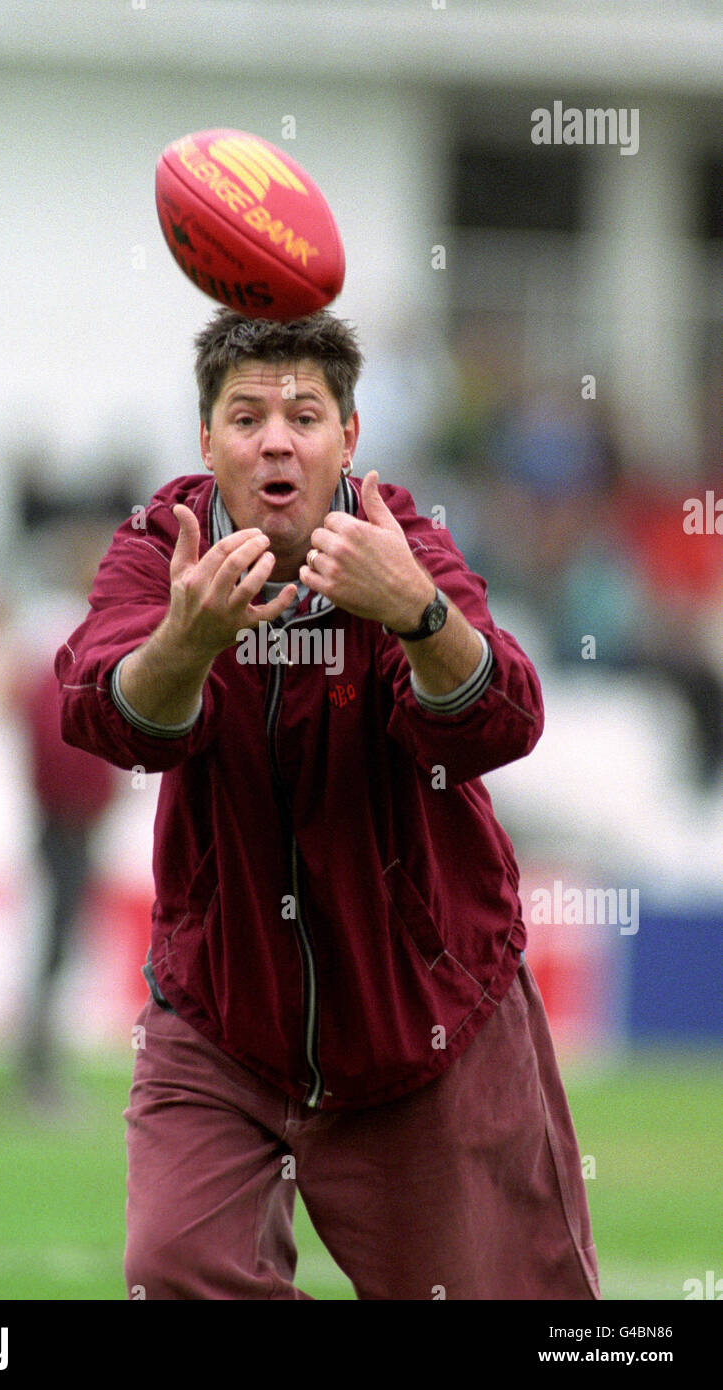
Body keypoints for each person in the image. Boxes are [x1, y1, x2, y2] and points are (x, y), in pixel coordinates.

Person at [56, 309, 600, 1301]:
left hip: (419, 1028)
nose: (275, 437)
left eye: (304, 415)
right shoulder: (162, 546)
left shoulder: (402, 543)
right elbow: (102, 714)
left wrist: (415, 613)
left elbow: (503, 717)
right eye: (246, 414)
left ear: (348, 439)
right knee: (173, 1268)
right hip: (221, 1018)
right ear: (206, 440)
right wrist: (189, 639)